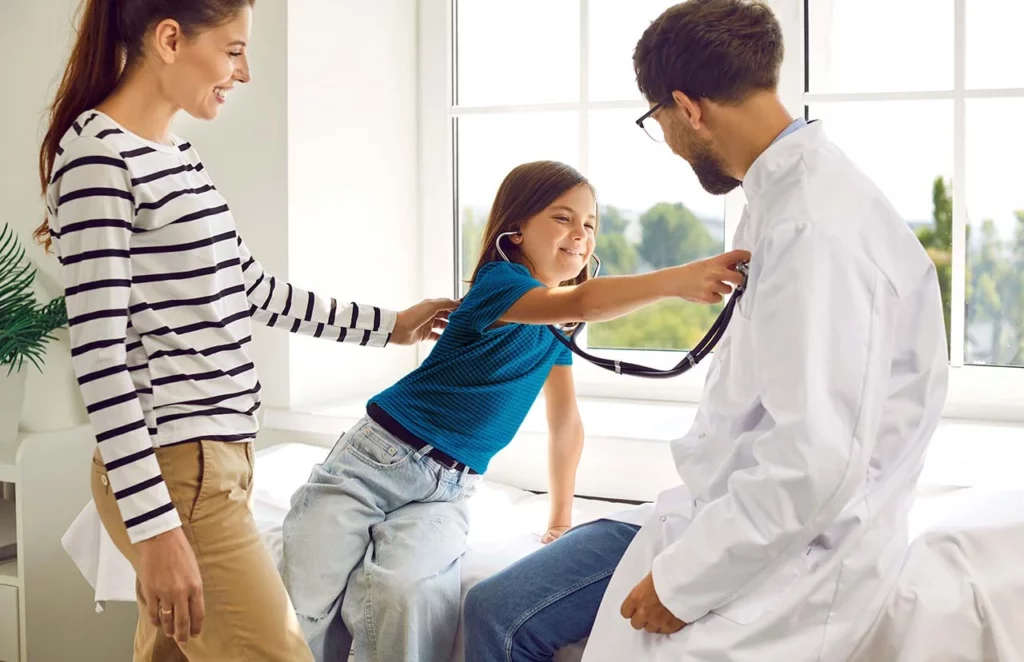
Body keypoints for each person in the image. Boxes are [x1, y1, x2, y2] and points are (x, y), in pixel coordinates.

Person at [462, 2, 949, 662]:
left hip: (783, 555)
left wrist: (682, 584)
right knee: (496, 607)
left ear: (687, 108)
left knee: (524, 622)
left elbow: (815, 460)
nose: (664, 138)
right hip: (713, 511)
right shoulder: (782, 201)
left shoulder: (814, 226)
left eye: (656, 120)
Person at [39, 1, 457, 660]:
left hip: (219, 465)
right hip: (179, 474)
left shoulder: (174, 154)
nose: (246, 71)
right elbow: (98, 357)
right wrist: (157, 531)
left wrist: (392, 328)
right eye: (233, 50)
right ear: (170, 39)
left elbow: (251, 287)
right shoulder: (97, 157)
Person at [280, 159, 749, 662]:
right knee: (303, 601)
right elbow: (588, 302)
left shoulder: (557, 324)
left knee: (406, 594)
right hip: (375, 461)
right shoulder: (499, 285)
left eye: (590, 224)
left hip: (447, 492)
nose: (580, 234)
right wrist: (679, 280)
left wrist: (562, 518)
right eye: (562, 217)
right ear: (517, 230)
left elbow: (565, 422)